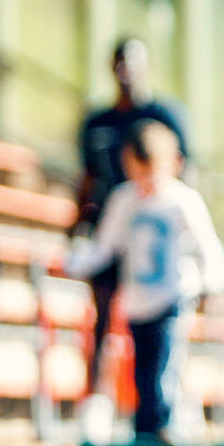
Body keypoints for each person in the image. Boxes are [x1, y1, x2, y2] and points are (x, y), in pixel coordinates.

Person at [69, 120, 224, 441]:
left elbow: (207, 244)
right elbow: (106, 246)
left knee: (162, 367)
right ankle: (146, 429)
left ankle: (160, 426)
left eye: (151, 175)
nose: (145, 184)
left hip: (173, 296)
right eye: (138, 174)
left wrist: (213, 281)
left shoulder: (183, 201)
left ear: (174, 164)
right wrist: (74, 262)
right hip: (138, 300)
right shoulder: (124, 200)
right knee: (141, 370)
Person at [74, 38, 192, 401]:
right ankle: (96, 398)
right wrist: (79, 230)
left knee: (159, 323)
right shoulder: (98, 122)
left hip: (154, 237)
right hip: (113, 229)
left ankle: (167, 402)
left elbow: (186, 172)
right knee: (103, 318)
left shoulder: (163, 116)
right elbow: (87, 179)